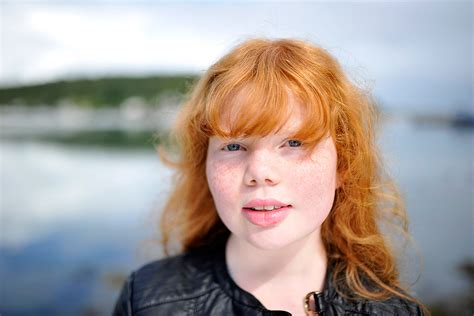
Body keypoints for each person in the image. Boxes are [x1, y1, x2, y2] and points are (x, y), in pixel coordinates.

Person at [113, 38, 426, 316]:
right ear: (204, 166)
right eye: (233, 145)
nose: (260, 173)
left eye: (294, 143)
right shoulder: (147, 301)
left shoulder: (395, 311)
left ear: (342, 167)